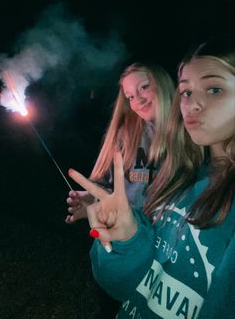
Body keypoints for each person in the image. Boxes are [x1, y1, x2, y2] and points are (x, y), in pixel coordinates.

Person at [68, 36, 235, 319]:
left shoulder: (192, 154)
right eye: (187, 92)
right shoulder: (140, 144)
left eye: (214, 89)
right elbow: (135, 284)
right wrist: (115, 226)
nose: (193, 104)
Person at [66, 62, 175, 223]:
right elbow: (105, 185)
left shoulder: (192, 135)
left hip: (165, 241)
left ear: (163, 83)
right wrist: (92, 199)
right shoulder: (125, 135)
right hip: (121, 233)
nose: (137, 99)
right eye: (130, 96)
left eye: (144, 87)